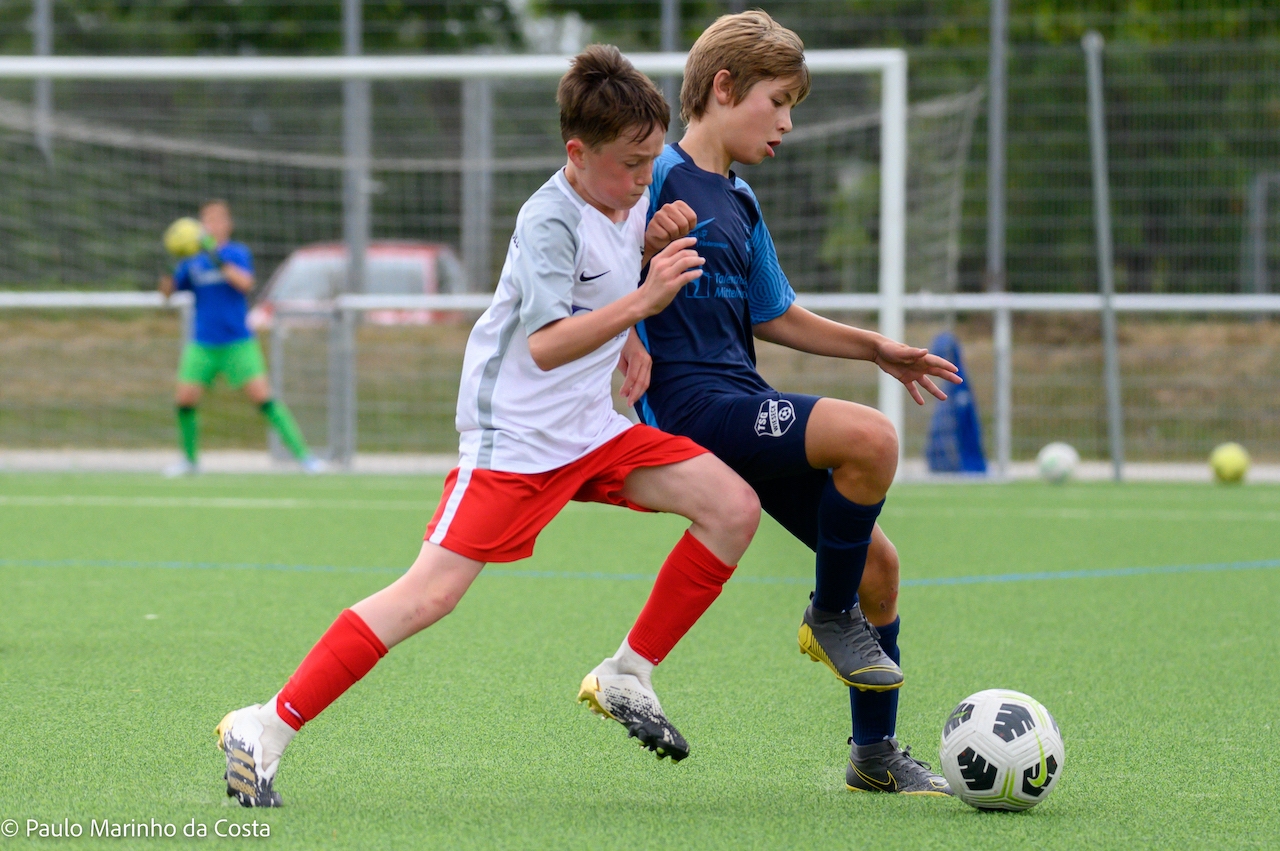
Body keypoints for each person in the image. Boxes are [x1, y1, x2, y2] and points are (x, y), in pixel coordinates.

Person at [215, 45, 761, 808]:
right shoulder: (548, 218)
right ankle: (265, 725)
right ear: (578, 153)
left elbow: (610, 274)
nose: (647, 178)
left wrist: (640, 289)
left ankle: (627, 672)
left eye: (651, 161)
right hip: (517, 438)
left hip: (589, 428)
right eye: (632, 165)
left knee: (732, 507)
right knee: (429, 595)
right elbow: (545, 345)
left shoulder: (630, 195)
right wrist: (643, 305)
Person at [619, 11, 963, 795]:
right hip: (691, 411)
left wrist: (876, 347)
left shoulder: (739, 200)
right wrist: (641, 250)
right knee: (871, 438)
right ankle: (829, 614)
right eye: (777, 102)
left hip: (743, 403)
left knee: (879, 564)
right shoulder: (656, 174)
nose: (787, 123)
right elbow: (595, 265)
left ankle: (874, 756)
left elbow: (774, 314)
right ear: (724, 87)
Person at [159, 200, 323, 475]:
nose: (211, 226)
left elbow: (245, 283)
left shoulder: (236, 253)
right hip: (203, 343)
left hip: (237, 341)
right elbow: (167, 294)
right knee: (184, 399)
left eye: (217, 220)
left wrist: (216, 258)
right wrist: (171, 264)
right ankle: (189, 461)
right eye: (206, 221)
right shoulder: (192, 261)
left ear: (228, 225)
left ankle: (305, 457)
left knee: (264, 398)